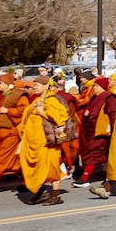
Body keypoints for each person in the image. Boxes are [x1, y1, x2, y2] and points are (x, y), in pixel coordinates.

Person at [19, 76, 70, 206]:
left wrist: (42, 113)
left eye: (37, 85)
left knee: (52, 167)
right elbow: (25, 115)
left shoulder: (52, 100)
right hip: (34, 142)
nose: (34, 87)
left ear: (46, 86)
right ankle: (41, 191)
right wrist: (32, 108)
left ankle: (55, 195)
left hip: (47, 142)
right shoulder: (37, 100)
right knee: (33, 167)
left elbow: (62, 116)